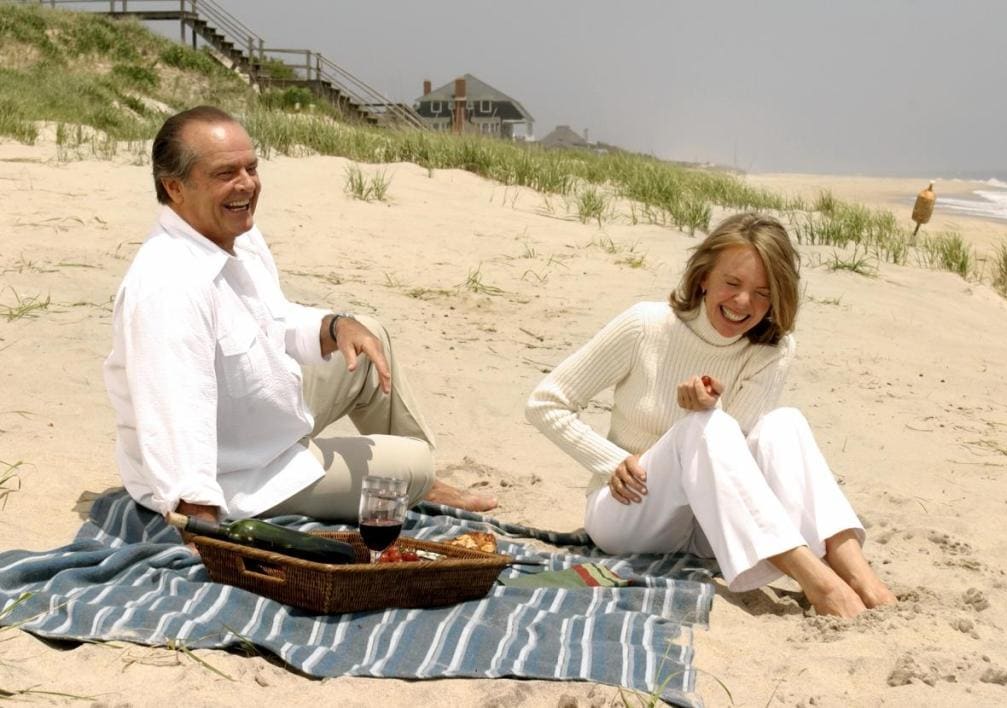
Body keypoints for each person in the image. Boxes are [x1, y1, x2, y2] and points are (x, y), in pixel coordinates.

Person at [103, 105, 496, 531]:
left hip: (257, 420)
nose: (247, 184)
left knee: (367, 336)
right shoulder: (168, 285)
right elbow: (176, 409)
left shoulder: (238, 234)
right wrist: (198, 515)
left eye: (251, 168)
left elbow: (270, 320)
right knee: (413, 465)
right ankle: (419, 480)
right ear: (174, 188)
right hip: (240, 475)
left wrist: (333, 327)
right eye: (225, 173)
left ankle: (422, 482)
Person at [525, 213, 895, 618]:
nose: (742, 303)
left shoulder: (773, 350)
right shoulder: (645, 326)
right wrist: (613, 461)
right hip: (629, 510)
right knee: (704, 424)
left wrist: (708, 410)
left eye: (762, 293)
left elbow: (735, 462)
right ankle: (816, 578)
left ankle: (859, 575)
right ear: (704, 277)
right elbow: (546, 403)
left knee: (784, 423)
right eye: (732, 284)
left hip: (711, 532)